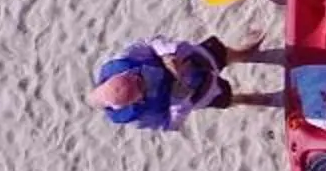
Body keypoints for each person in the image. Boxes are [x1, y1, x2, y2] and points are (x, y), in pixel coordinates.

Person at [89, 36, 255, 131]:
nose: (142, 81)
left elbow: (148, 43)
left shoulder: (123, 61)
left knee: (224, 54)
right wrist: (179, 98)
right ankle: (246, 99)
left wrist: (166, 55)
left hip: (192, 59)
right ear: (136, 102)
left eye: (136, 77)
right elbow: (171, 124)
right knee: (228, 98)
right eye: (141, 89)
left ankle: (243, 54)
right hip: (200, 92)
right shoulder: (140, 116)